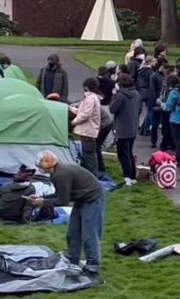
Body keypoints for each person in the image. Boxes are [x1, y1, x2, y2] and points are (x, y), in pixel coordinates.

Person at [28, 151, 106, 279]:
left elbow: (63, 201)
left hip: (93, 199)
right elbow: (60, 195)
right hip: (82, 198)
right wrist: (41, 198)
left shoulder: (60, 174)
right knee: (73, 232)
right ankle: (72, 260)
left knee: (89, 234)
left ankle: (93, 267)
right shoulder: (58, 172)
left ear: (46, 166)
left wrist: (43, 202)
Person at [110, 72, 140, 186]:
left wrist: (114, 94)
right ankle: (132, 176)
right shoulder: (136, 94)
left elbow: (113, 108)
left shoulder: (120, 96)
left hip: (121, 128)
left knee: (123, 154)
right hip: (132, 127)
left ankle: (127, 176)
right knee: (129, 152)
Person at [70, 77, 103, 175]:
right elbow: (82, 111)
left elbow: (85, 114)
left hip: (88, 131)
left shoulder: (90, 98)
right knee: (89, 153)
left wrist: (73, 122)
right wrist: (71, 109)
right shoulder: (92, 98)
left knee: (89, 154)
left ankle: (93, 174)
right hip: (88, 131)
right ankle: (93, 174)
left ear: (86, 87)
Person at [162, 75, 180, 169]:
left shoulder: (173, 93)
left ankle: (179, 161)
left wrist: (161, 104)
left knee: (178, 142)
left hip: (175, 119)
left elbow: (168, 107)